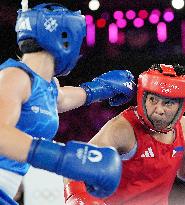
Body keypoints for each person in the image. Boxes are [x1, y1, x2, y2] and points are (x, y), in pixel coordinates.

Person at [0, 2, 136, 205]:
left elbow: (62, 99)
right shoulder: (14, 77)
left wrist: (102, 87)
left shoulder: (45, 85)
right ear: (63, 39)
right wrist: (63, 158)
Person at [64, 64, 185, 205]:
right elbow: (73, 163)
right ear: (143, 96)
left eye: (167, 103)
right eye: (153, 100)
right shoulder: (123, 129)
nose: (158, 110)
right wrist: (78, 198)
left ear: (181, 105)